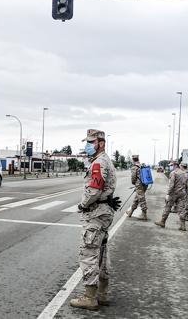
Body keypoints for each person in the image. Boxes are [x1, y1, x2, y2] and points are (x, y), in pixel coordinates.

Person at [70, 129, 118, 311]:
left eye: (91, 142)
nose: (88, 145)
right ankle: (103, 293)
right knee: (102, 252)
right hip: (104, 211)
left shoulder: (98, 163)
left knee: (89, 252)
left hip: (96, 213)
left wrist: (83, 204)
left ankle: (90, 297)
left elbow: (94, 190)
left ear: (101, 143)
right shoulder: (105, 160)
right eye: (87, 142)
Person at [155, 161, 188, 231]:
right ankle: (183, 226)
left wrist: (168, 194)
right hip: (182, 193)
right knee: (181, 209)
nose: (171, 167)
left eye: (171, 165)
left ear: (175, 165)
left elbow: (171, 185)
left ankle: (162, 221)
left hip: (174, 193)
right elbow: (187, 186)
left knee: (168, 206)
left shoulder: (174, 173)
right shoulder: (186, 174)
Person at [126, 154, 148, 220]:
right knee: (137, 198)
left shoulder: (134, 167)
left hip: (139, 185)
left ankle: (144, 215)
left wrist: (134, 183)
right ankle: (131, 212)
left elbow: (133, 178)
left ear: (133, 160)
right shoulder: (141, 165)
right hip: (145, 184)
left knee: (141, 198)